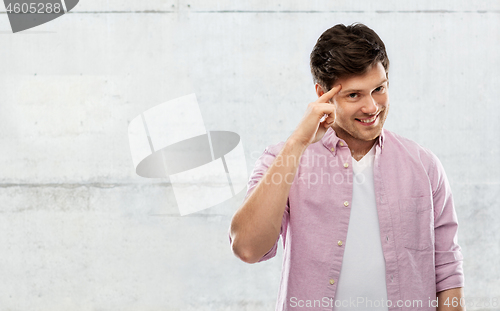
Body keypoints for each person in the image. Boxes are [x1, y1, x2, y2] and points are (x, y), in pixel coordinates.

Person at [229, 23, 465, 311]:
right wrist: (297, 144)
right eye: (354, 95)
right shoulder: (284, 159)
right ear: (322, 94)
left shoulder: (423, 165)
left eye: (379, 89)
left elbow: (448, 270)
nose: (371, 107)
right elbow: (248, 248)